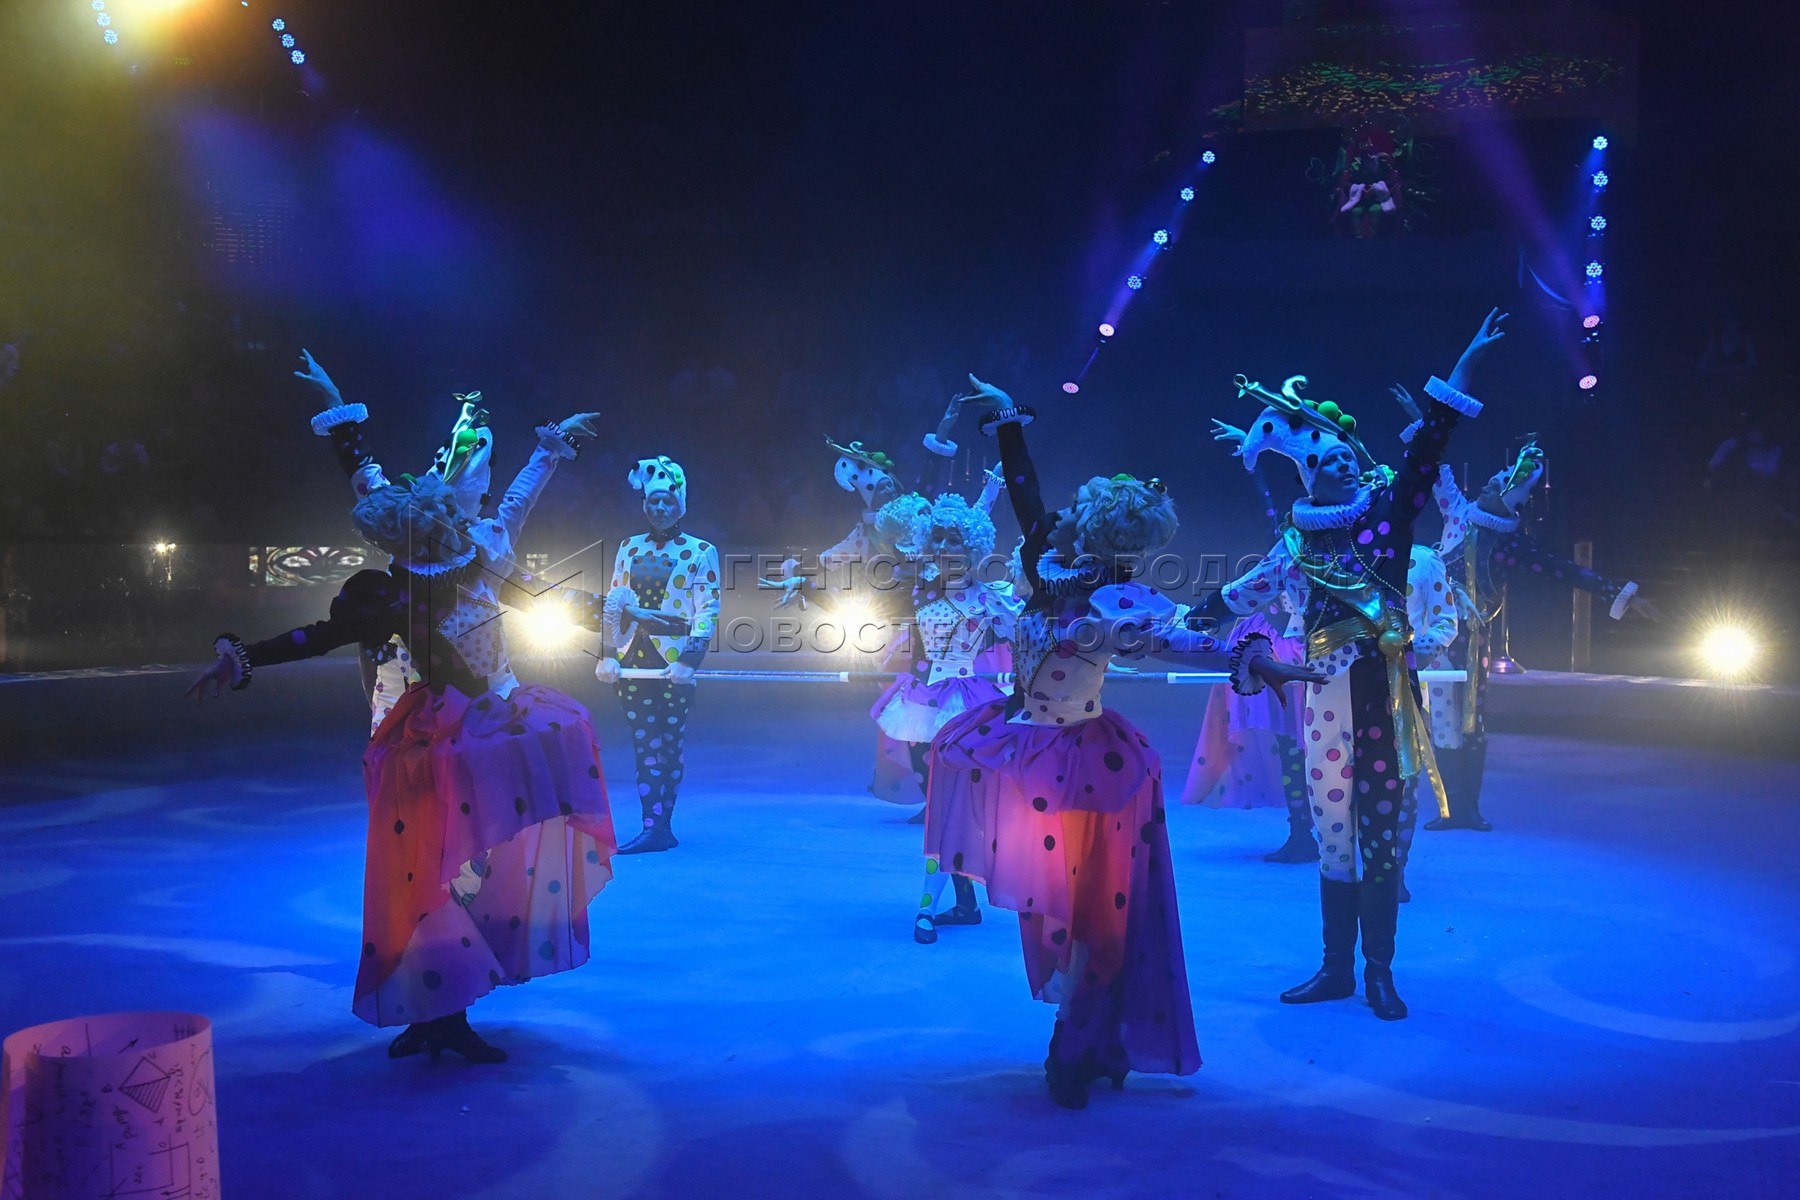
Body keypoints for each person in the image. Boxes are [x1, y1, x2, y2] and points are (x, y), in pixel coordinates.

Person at [924, 376, 1320, 1108]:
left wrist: (1252, 657)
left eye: (1073, 522)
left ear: (1101, 537)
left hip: (1084, 765)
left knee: (1093, 910)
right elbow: (1027, 499)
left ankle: (1077, 1046)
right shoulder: (1051, 571)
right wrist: (1008, 419)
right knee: (1054, 908)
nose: (1054, 526)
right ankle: (1096, 1039)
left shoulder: (1114, 600)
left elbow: (1176, 640)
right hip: (1029, 752)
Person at [187, 473, 617, 1064]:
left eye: (445, 524)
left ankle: (449, 1006)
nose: (445, 533)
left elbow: (542, 596)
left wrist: (609, 613)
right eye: (428, 528)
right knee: (427, 872)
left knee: (475, 868)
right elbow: (320, 635)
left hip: (488, 735)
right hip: (430, 744)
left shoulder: (478, 568)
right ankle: (438, 1012)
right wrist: (243, 658)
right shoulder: (387, 595)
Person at [1190, 310, 1507, 1021]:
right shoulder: (1294, 549)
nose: (1345, 461)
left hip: (1385, 698)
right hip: (1325, 701)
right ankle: (1335, 967)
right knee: (1334, 835)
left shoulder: (1386, 525)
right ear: (1310, 475)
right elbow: (1239, 595)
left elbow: (1428, 450)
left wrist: (1462, 369)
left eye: (1347, 455)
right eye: (1329, 458)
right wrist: (1181, 620)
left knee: (1384, 836)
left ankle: (1380, 972)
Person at [1400, 427, 1652, 831]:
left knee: (1470, 722)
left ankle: (1467, 808)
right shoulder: (1458, 513)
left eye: (1496, 484)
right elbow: (1439, 473)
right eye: (1492, 480)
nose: (1487, 483)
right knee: (1439, 721)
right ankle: (1449, 807)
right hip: (1430, 631)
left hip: (1472, 640)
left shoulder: (1508, 544)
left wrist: (1616, 592)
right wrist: (1424, 424)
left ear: (1507, 500)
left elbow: (1562, 569)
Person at [587, 456, 722, 855]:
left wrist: (689, 661)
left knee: (669, 743)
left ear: (681, 504)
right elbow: (614, 605)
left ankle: (663, 825)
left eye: (668, 501)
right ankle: (652, 825)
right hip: (633, 658)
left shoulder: (701, 551)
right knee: (645, 743)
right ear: (644, 504)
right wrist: (607, 654)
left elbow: (707, 611)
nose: (660, 508)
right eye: (653, 502)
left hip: (673, 661)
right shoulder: (628, 547)